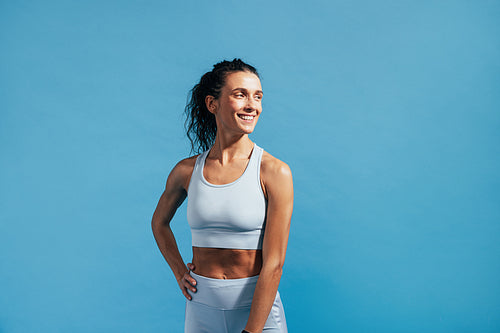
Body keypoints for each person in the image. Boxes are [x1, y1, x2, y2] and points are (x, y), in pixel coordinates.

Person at [151, 58, 293, 333]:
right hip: (202, 308)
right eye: (240, 95)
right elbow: (159, 223)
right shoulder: (186, 171)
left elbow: (274, 265)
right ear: (212, 104)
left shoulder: (274, 172)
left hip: (258, 314)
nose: (252, 105)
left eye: (258, 96)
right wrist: (180, 270)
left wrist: (252, 331)